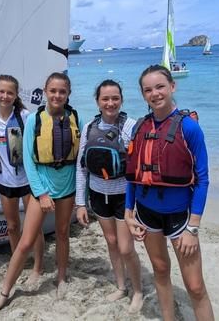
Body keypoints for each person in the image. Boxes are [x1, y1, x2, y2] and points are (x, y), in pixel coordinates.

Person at [124, 64, 214, 321]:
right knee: (160, 271)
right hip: (147, 214)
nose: (155, 93)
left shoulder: (190, 128)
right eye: (148, 89)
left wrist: (193, 228)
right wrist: (129, 215)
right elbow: (132, 176)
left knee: (195, 287)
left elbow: (204, 180)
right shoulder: (139, 127)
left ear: (172, 87)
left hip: (180, 218)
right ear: (143, 95)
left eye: (160, 86)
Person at [0, 72, 81, 310]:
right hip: (42, 188)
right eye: (53, 91)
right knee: (25, 240)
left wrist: (81, 197)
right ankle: (5, 290)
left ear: (68, 94)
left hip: (67, 188)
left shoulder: (74, 117)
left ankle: (61, 277)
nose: (57, 95)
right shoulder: (34, 119)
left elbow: (79, 160)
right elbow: (30, 162)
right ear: (45, 91)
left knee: (63, 234)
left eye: (62, 91)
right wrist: (41, 194)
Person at [75, 79, 143, 313]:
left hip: (123, 196)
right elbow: (81, 167)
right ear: (97, 101)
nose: (110, 103)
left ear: (121, 100)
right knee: (111, 242)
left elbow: (139, 167)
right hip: (98, 194)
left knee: (126, 248)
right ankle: (121, 286)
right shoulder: (89, 128)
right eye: (105, 99)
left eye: (115, 98)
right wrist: (80, 203)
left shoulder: (131, 126)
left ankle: (138, 291)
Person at [0, 74, 44, 284]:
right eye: (1, 91)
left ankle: (38, 266)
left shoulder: (25, 116)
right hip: (4, 182)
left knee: (34, 228)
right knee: (12, 226)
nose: (5, 96)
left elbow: (38, 145)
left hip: (27, 181)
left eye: (10, 93)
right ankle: (19, 260)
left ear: (16, 95)